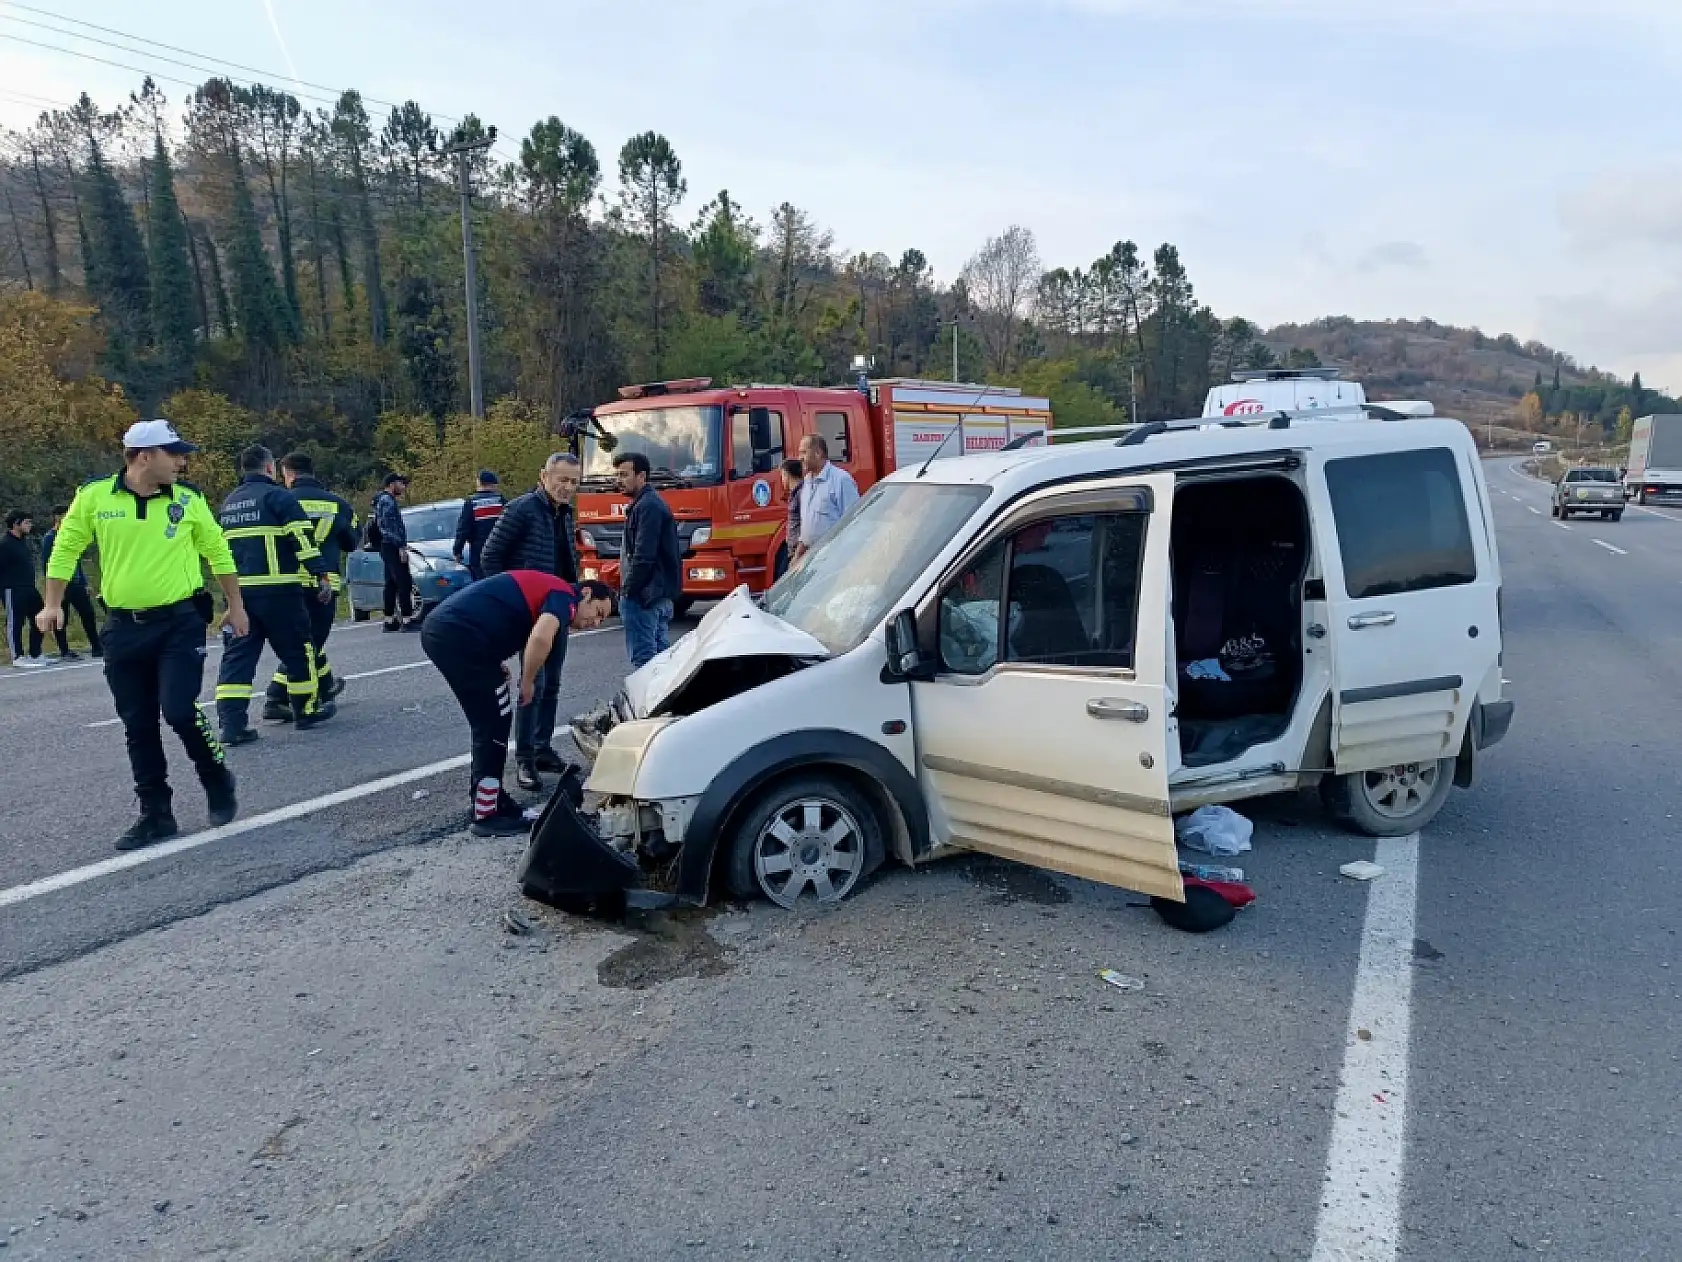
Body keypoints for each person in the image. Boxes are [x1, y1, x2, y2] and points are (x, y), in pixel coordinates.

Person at [38, 419, 245, 850]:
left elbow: (217, 551)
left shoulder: (188, 500)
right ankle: (156, 814)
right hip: (123, 627)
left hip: (179, 622)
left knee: (179, 711)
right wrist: (52, 603)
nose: (182, 462)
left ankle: (216, 779)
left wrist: (236, 606)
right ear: (145, 456)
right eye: (175, 454)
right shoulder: (94, 497)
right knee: (138, 723)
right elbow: (66, 549)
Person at [420, 572, 612, 836]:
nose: (596, 622)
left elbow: (495, 615)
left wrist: (494, 661)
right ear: (587, 594)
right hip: (457, 634)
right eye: (598, 612)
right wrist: (528, 681)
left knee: (493, 720)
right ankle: (487, 813)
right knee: (492, 723)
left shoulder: (551, 591)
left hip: (456, 633)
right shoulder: (565, 596)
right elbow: (540, 638)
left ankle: (489, 799)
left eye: (603, 620)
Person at [213, 444, 338, 744]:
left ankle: (232, 726)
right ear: (270, 468)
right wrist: (320, 573)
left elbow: (218, 552)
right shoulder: (278, 497)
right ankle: (305, 711)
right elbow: (301, 539)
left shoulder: (229, 504)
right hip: (279, 592)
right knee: (299, 651)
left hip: (240, 596)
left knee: (237, 660)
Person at [481, 453, 583, 790]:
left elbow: (567, 560)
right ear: (544, 476)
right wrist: (509, 599)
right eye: (562, 479)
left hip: (558, 606)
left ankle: (541, 748)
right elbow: (489, 556)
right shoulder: (522, 509)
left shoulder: (565, 514)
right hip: (528, 610)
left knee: (552, 683)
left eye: (574, 481)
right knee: (532, 683)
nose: (567, 487)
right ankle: (524, 757)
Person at [260, 452, 358, 722]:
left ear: (287, 474)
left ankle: (324, 686)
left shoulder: (276, 501)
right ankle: (277, 695)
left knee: (306, 640)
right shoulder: (339, 504)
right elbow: (351, 543)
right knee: (308, 642)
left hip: (288, 583)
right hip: (324, 583)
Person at [614, 451, 681, 670]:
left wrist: (628, 590)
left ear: (641, 476)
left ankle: (652, 703)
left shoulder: (647, 506)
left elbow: (643, 556)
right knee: (661, 658)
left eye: (625, 475)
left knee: (645, 661)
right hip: (656, 593)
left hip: (645, 596)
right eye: (618, 475)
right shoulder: (647, 503)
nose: (619, 480)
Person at [42, 504, 102, 659]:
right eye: (64, 515)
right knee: (62, 617)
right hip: (62, 584)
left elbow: (77, 561)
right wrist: (52, 590)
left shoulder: (70, 536)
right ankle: (64, 650)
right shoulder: (50, 538)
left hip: (76, 583)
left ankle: (96, 646)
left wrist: (85, 582)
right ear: (57, 517)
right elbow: (47, 564)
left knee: (88, 613)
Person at [792, 433, 858, 563]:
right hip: (812, 559)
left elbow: (853, 522)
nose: (800, 458)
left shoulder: (841, 480)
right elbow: (808, 526)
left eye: (804, 452)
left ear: (818, 453)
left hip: (834, 559)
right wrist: (797, 555)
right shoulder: (807, 481)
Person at [372, 473, 418, 632]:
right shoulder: (387, 501)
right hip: (392, 545)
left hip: (386, 545)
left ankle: (389, 620)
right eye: (401, 484)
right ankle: (407, 620)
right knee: (403, 582)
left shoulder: (381, 500)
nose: (403, 487)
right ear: (392, 484)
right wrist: (401, 547)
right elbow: (390, 526)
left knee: (391, 583)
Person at [2, 509, 45, 668]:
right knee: (16, 623)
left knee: (41, 617)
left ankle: (35, 654)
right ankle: (18, 656)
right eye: (26, 522)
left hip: (29, 587)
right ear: (16, 524)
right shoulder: (4, 544)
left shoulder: (23, 542)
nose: (30, 525)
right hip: (12, 589)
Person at [452, 470, 505, 581]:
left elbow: (463, 529)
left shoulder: (472, 502)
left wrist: (457, 551)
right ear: (494, 484)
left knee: (482, 584)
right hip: (502, 550)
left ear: (479, 483)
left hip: (479, 551)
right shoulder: (501, 500)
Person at [778, 458, 804, 578]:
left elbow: (805, 524)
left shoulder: (801, 494)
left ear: (787, 475)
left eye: (782, 476)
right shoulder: (795, 494)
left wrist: (797, 554)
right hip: (792, 550)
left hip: (798, 551)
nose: (782, 480)